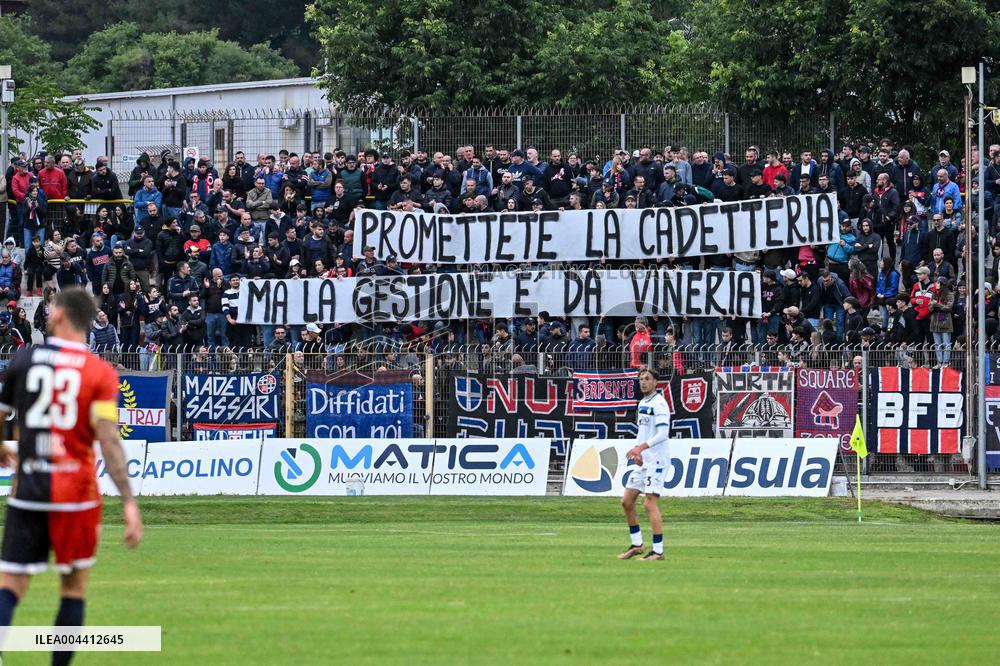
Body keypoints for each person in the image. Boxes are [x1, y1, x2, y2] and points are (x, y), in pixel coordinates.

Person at [0, 287, 142, 666]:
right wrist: (129, 502)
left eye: (50, 310)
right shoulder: (99, 372)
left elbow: (2, 414)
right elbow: (109, 442)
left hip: (28, 488)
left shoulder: (24, 358)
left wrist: (2, 446)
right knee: (73, 589)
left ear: (61, 315)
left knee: (10, 585)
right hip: (76, 494)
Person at [618, 367, 671, 561]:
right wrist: (637, 451)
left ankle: (658, 551)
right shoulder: (642, 403)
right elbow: (643, 432)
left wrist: (641, 448)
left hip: (657, 459)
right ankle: (637, 544)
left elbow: (663, 434)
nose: (643, 382)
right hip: (645, 460)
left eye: (647, 379)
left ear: (655, 382)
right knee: (627, 501)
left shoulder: (659, 404)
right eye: (641, 379)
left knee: (649, 503)